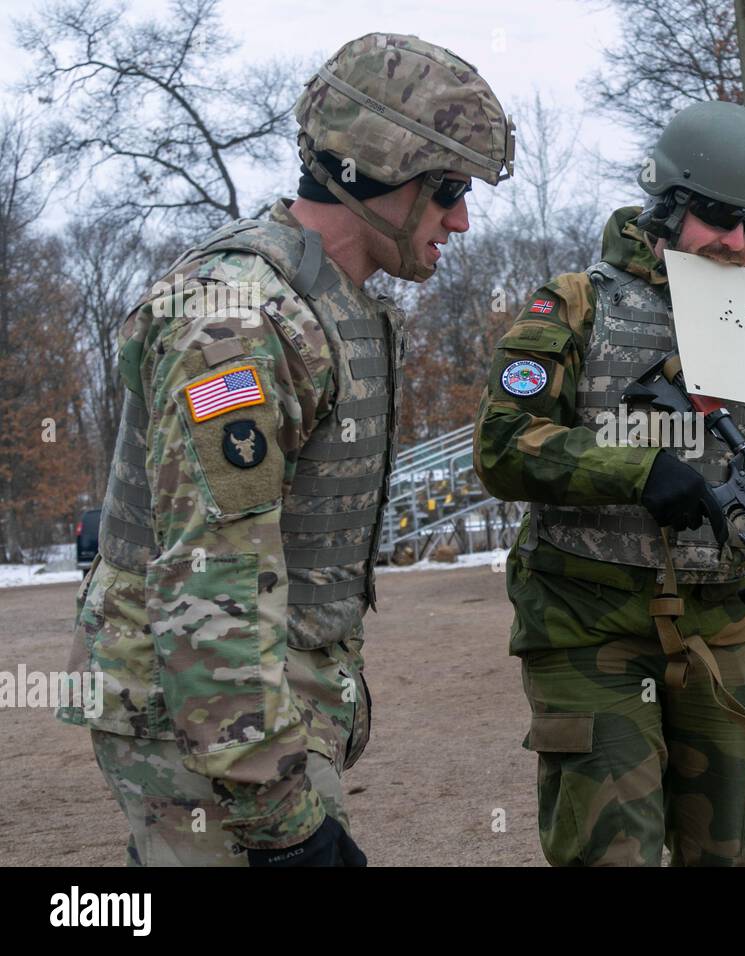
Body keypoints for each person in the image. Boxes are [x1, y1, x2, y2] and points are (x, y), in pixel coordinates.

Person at [57, 32, 513, 867]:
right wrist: (282, 824)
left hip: (252, 715)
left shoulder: (325, 302)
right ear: (371, 170)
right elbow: (211, 583)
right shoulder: (238, 325)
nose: (462, 217)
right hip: (201, 729)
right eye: (446, 188)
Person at [474, 100, 745, 866]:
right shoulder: (578, 304)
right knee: (613, 851)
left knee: (726, 846)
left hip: (719, 623)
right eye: (717, 218)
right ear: (668, 206)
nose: (737, 243)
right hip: (589, 626)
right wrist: (639, 469)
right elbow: (502, 446)